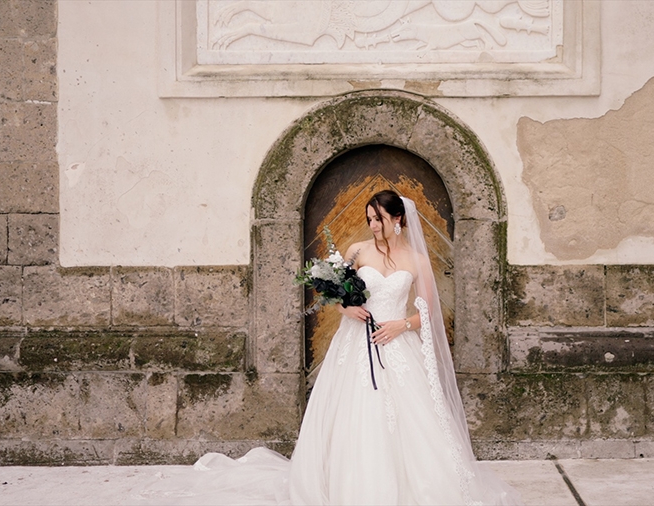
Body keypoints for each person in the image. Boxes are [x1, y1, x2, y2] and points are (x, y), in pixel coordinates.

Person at [139, 190, 520, 505]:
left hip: (395, 341)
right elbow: (336, 294)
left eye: (379, 219)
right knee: (349, 413)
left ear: (398, 220)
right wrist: (346, 306)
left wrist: (400, 325)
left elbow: (428, 314)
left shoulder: (418, 260)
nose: (373, 225)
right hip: (355, 341)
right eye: (369, 218)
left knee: (409, 420)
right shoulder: (357, 251)